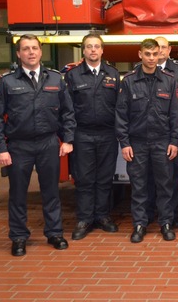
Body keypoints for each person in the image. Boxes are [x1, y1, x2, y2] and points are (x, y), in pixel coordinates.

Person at [0, 34, 76, 257]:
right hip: (19, 146)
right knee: (18, 194)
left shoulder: (55, 80)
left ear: (40, 52)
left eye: (35, 48)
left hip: (48, 143)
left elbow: (67, 112)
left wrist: (67, 139)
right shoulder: (7, 82)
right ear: (19, 54)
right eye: (26, 49)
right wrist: (2, 148)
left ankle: (55, 233)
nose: (31, 52)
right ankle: (18, 237)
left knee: (51, 192)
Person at [115, 39, 178, 243]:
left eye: (155, 54)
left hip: (163, 142)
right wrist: (125, 143)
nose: (152, 58)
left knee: (165, 185)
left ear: (161, 54)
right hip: (137, 143)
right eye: (148, 54)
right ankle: (139, 224)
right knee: (139, 185)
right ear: (140, 55)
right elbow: (121, 115)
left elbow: (175, 115)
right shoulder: (128, 81)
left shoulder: (169, 81)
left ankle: (166, 223)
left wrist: (174, 141)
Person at [65, 33, 121, 240]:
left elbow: (119, 107)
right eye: (89, 47)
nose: (93, 50)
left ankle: (103, 216)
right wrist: (69, 137)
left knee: (105, 178)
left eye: (97, 46)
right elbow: (67, 109)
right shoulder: (73, 75)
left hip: (107, 134)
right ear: (83, 50)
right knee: (84, 179)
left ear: (102, 50)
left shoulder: (113, 74)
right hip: (83, 134)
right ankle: (85, 218)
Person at [145, 36, 178, 228]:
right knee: (149, 176)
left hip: (171, 132)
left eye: (163, 47)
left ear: (169, 50)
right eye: (157, 47)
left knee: (171, 175)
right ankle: (149, 212)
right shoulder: (141, 70)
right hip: (148, 131)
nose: (160, 51)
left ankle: (171, 214)